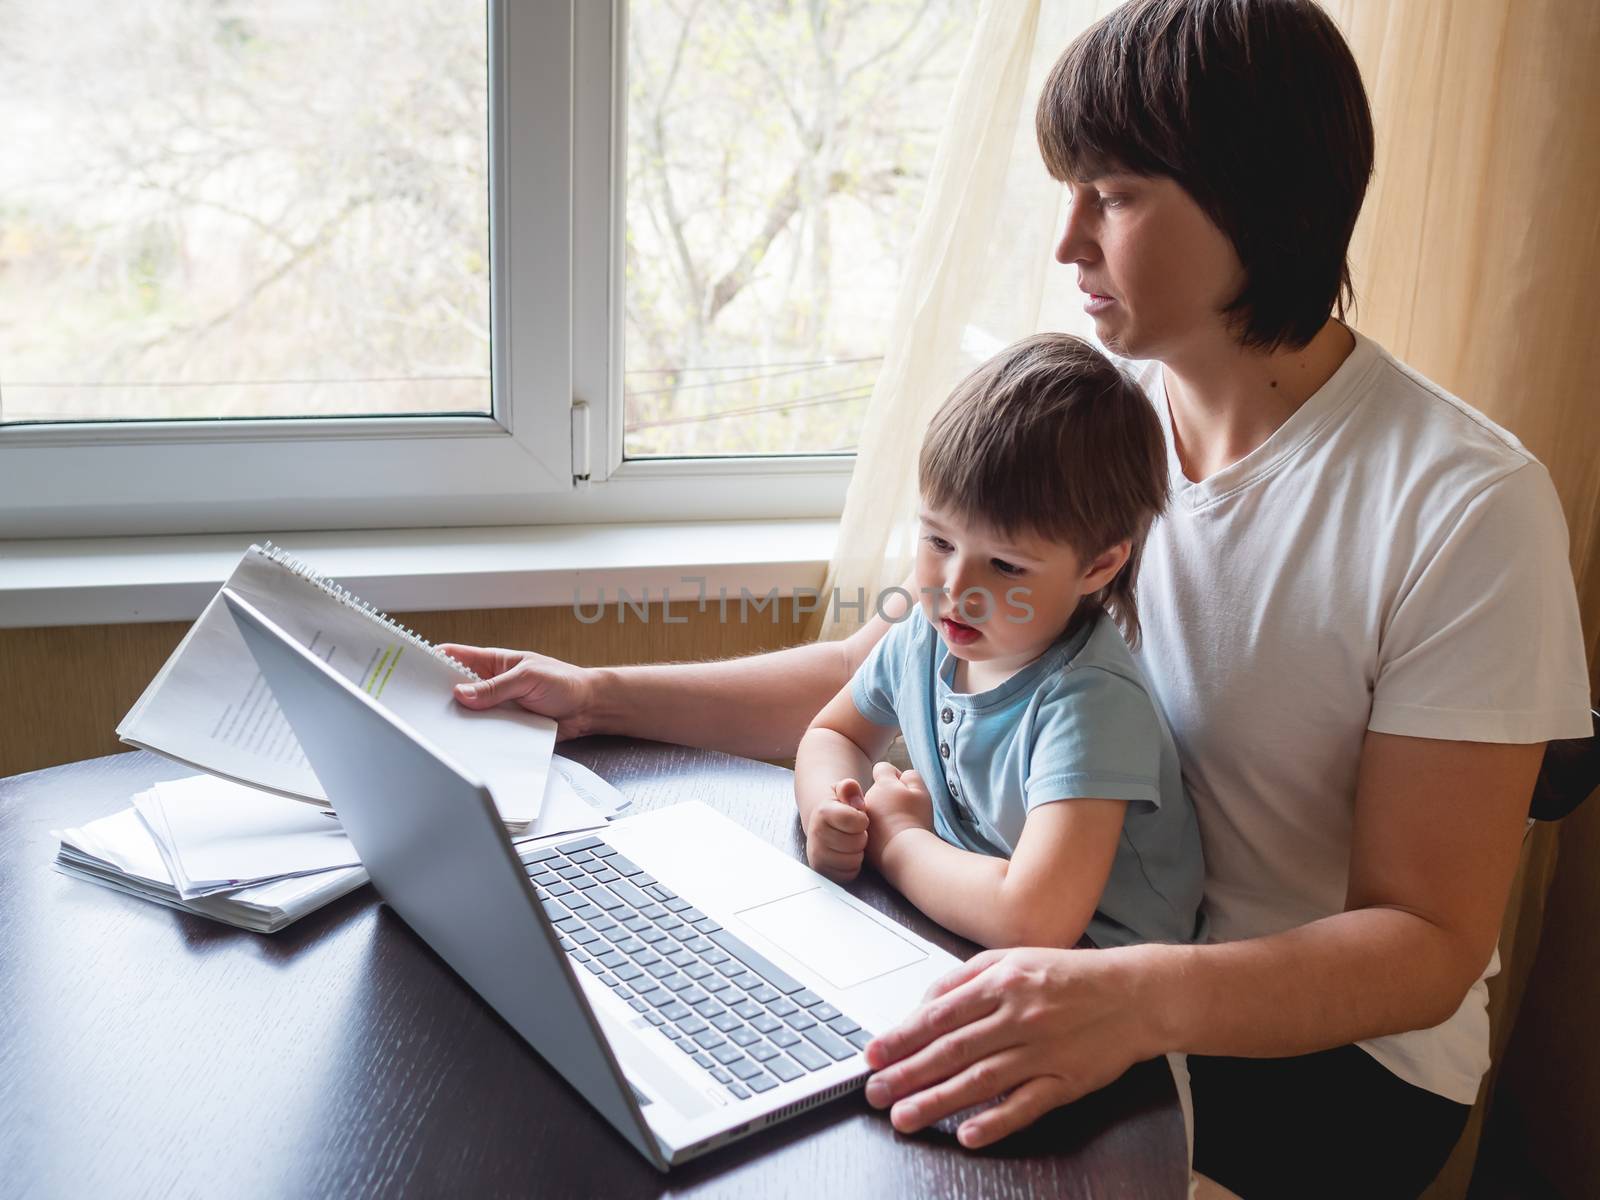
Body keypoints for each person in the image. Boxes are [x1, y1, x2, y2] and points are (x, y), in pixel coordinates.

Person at [439, 0, 1593, 1194]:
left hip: (1329, 1065)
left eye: (1114, 194)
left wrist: (1127, 999)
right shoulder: (1106, 420)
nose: (1067, 243)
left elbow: (1425, 948)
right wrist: (597, 694)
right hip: (1078, 944)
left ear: (1258, 203)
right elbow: (888, 665)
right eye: (1068, 190)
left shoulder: (1462, 504)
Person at [794, 332, 1203, 957]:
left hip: (1100, 976)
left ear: (1097, 567)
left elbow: (1033, 919)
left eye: (1006, 566)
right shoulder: (923, 636)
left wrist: (899, 838)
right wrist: (834, 810)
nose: (956, 589)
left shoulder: (1091, 704)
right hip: (961, 921)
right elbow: (835, 735)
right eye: (938, 542)